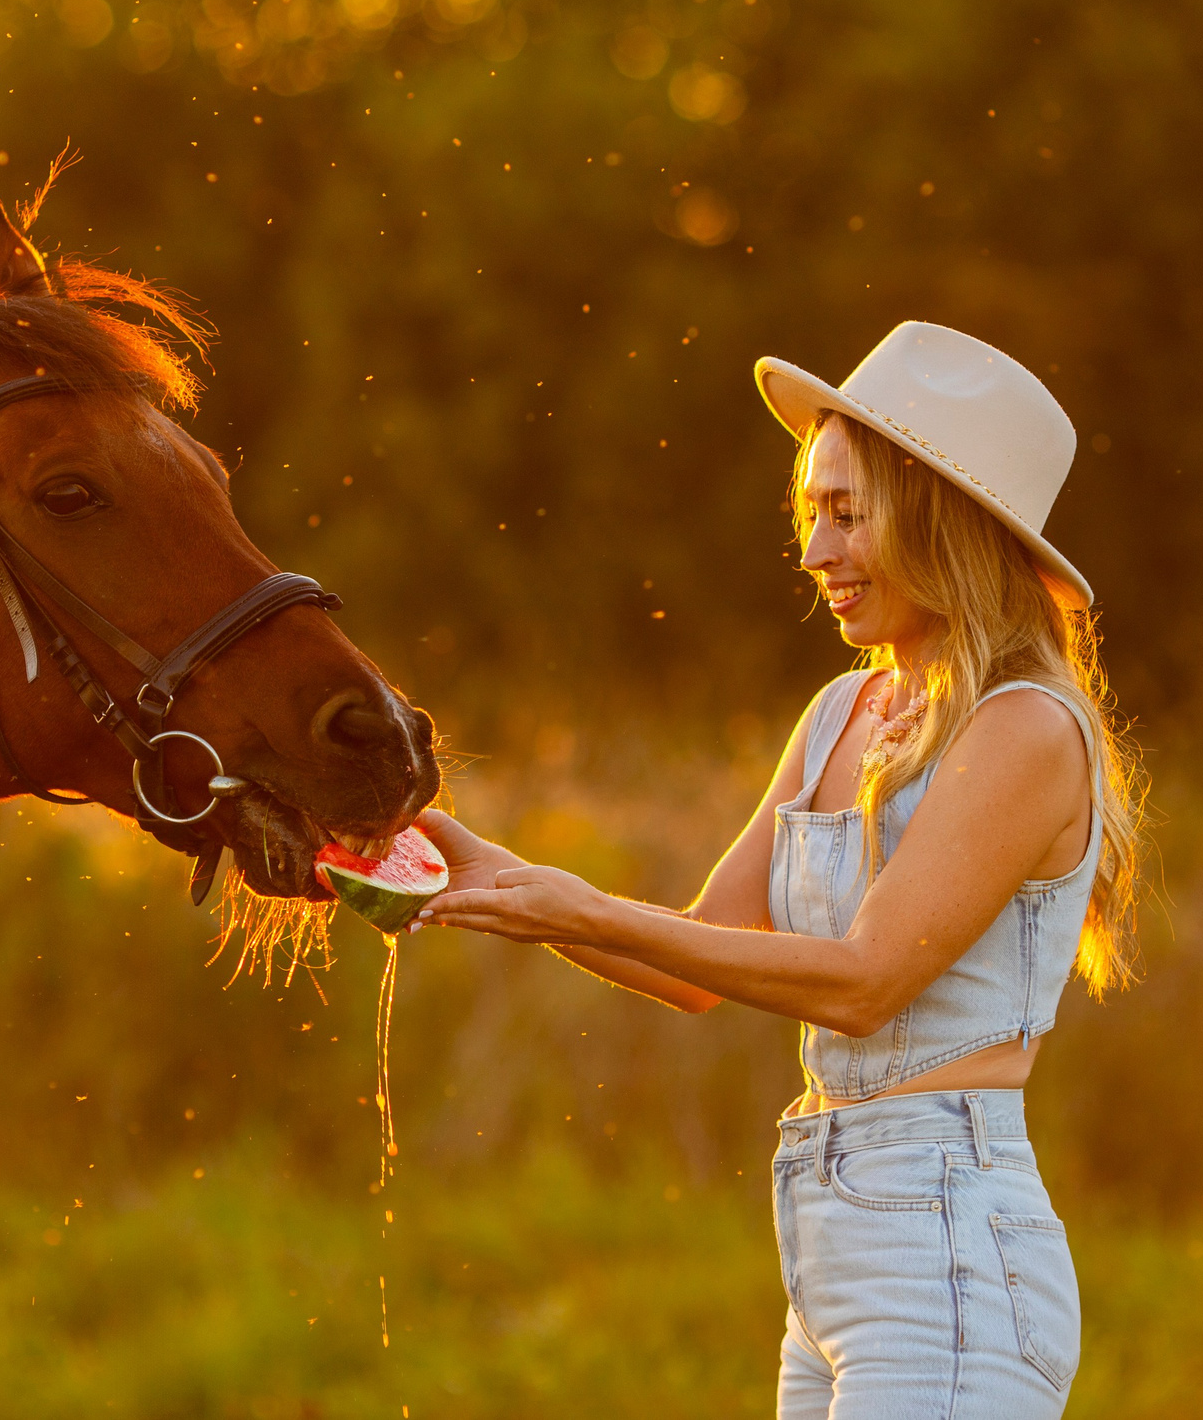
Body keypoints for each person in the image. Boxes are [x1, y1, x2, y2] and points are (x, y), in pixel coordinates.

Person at [418, 321, 1145, 1420]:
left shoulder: (1024, 729)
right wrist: (497, 878)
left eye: (848, 515)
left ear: (941, 519)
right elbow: (700, 958)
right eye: (812, 512)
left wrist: (577, 907)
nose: (814, 554)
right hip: (828, 1236)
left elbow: (861, 984)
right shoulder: (836, 713)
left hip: (943, 1243)